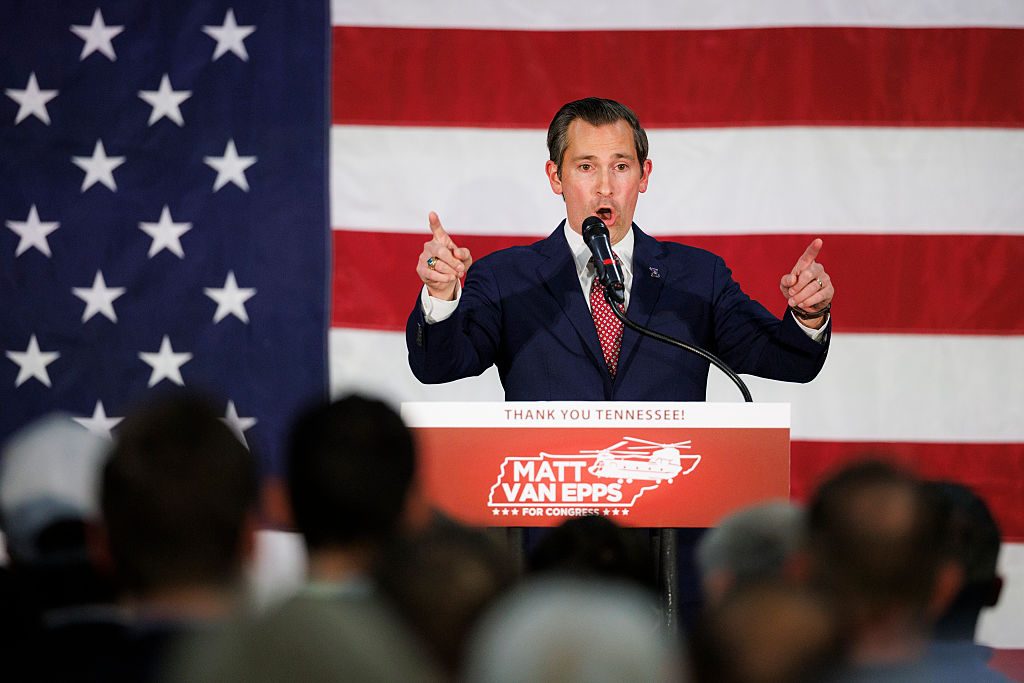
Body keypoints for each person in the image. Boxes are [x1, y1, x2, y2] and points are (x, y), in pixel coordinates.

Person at [408, 97, 833, 399]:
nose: (605, 186)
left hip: (668, 514)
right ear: (556, 177)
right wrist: (441, 297)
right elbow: (437, 367)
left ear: (644, 176)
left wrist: (808, 314)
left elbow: (789, 361)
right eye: (586, 166)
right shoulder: (507, 279)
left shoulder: (699, 278)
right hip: (557, 515)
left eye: (621, 166)